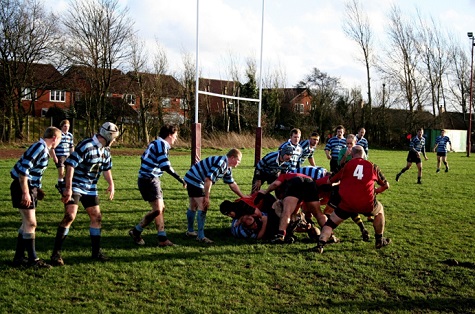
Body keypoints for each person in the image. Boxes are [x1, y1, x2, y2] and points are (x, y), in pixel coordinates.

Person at [50, 122, 119, 266]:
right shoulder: (86, 145)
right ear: (108, 136)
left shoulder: (106, 150)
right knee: (70, 216)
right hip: (75, 185)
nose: (115, 141)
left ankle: (96, 253)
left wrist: (111, 184)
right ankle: (56, 254)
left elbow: (107, 168)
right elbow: (70, 164)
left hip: (90, 187)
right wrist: (68, 188)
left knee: (97, 217)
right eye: (114, 138)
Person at [311, 145, 391, 253]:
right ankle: (379, 240)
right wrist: (376, 191)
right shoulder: (373, 166)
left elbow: (330, 181)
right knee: (380, 211)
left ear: (352, 154)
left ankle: (320, 244)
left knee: (330, 223)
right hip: (367, 202)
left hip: (346, 203)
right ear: (364, 155)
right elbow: (386, 185)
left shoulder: (345, 165)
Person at [10, 127, 62, 269]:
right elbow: (23, 171)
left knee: (26, 223)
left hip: (29, 187)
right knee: (31, 223)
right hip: (22, 187)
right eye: (60, 140)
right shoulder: (39, 147)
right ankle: (33, 260)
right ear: (54, 138)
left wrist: (36, 189)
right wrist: (26, 193)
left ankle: (19, 258)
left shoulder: (43, 149)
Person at [128, 125, 186, 247]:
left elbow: (143, 158)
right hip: (149, 179)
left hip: (148, 178)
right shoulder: (162, 144)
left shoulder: (154, 143)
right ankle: (136, 231)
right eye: (175, 136)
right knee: (158, 210)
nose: (175, 139)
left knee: (160, 209)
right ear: (170, 135)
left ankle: (162, 238)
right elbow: (165, 165)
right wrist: (180, 179)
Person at [184, 148, 244, 244]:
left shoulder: (227, 167)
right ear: (232, 158)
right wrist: (206, 197)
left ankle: (190, 231)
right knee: (203, 206)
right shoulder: (221, 163)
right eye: (238, 160)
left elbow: (232, 184)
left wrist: (243, 196)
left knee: (193, 206)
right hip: (195, 180)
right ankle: (200, 236)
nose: (239, 163)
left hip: (191, 178)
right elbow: (208, 179)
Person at [255, 172, 327, 244]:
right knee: (318, 214)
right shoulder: (301, 177)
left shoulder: (284, 176)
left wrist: (266, 191)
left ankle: (281, 235)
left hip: (296, 182)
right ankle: (329, 234)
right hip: (310, 182)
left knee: (287, 212)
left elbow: (275, 184)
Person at [51, 120, 74, 191]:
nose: (66, 128)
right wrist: (54, 156)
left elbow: (71, 146)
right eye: (65, 126)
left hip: (67, 156)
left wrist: (73, 155)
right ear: (61, 126)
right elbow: (52, 146)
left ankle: (65, 185)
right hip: (60, 155)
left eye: (68, 126)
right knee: (61, 171)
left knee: (68, 172)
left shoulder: (70, 135)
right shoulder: (58, 134)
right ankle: (60, 184)